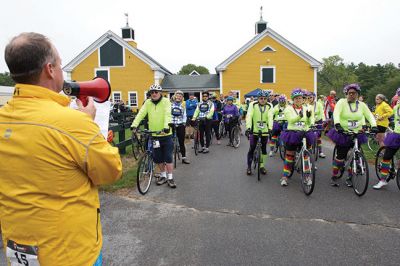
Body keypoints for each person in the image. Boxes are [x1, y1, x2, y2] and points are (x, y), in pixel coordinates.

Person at [0, 32, 122, 265]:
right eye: (60, 64)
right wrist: (91, 124)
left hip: (19, 251)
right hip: (70, 253)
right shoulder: (74, 123)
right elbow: (111, 171)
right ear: (50, 70)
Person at [326, 84, 378, 187]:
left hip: (357, 133)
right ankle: (335, 175)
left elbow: (369, 116)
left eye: (353, 93)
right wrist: (337, 124)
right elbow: (336, 113)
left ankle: (350, 177)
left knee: (354, 155)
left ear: (358, 94)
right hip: (343, 132)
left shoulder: (362, 105)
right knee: (340, 156)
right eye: (349, 93)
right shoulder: (341, 102)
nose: (351, 95)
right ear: (346, 94)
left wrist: (374, 126)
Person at [131, 84, 176, 188]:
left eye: (156, 92)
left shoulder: (166, 101)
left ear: (160, 93)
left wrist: (166, 127)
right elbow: (141, 114)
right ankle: (163, 176)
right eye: (152, 92)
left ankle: (170, 177)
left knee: (168, 157)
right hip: (154, 135)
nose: (154, 94)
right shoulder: (147, 102)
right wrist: (134, 125)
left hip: (165, 134)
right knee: (158, 157)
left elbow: (167, 114)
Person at [280, 89, 316, 186]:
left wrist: (309, 119)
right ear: (293, 99)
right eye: (296, 98)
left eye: (300, 98)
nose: (298, 100)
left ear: (303, 99)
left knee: (306, 156)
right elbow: (291, 121)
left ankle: (307, 176)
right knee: (290, 156)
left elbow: (309, 122)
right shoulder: (288, 109)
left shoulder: (307, 108)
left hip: (305, 133)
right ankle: (285, 176)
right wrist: (299, 116)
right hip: (292, 133)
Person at [373, 88, 400, 189]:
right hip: (397, 134)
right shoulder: (396, 106)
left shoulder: (390, 105)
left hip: (388, 128)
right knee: (386, 157)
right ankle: (383, 180)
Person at [245, 90, 273, 175]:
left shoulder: (269, 105)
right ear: (258, 99)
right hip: (254, 130)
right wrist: (248, 128)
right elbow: (249, 116)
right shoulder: (252, 104)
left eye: (265, 98)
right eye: (261, 98)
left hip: (265, 130)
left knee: (264, 149)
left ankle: (262, 166)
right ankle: (249, 167)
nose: (263, 100)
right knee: (252, 148)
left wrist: (270, 128)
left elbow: (270, 117)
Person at [171, 90, 190, 164]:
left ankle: (184, 158)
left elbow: (184, 115)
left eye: (180, 96)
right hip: (171, 124)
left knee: (181, 142)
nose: (178, 97)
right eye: (177, 95)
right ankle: (168, 159)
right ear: (175, 96)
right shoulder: (170, 105)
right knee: (169, 142)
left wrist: (184, 123)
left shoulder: (183, 106)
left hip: (180, 125)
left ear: (182, 98)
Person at [307, 92, 326, 158]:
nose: (309, 99)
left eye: (311, 97)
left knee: (318, 137)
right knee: (310, 135)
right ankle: (310, 149)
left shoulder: (319, 104)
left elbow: (322, 113)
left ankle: (320, 152)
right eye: (308, 98)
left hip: (318, 121)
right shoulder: (307, 105)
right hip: (310, 122)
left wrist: (324, 120)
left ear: (314, 98)